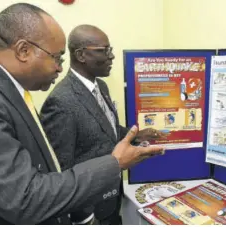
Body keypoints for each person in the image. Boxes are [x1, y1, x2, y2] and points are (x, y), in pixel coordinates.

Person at [0, 3, 164, 225]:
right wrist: (115, 164)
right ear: (23, 50)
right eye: (56, 57)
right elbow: (29, 193)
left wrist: (134, 137)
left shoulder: (7, 87)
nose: (58, 68)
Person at [40, 24, 166, 224]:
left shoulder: (102, 86)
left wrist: (138, 136)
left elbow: (108, 130)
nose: (112, 56)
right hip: (89, 211)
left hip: (112, 199)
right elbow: (60, 171)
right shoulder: (61, 102)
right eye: (104, 50)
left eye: (111, 50)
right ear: (81, 55)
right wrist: (84, 217)